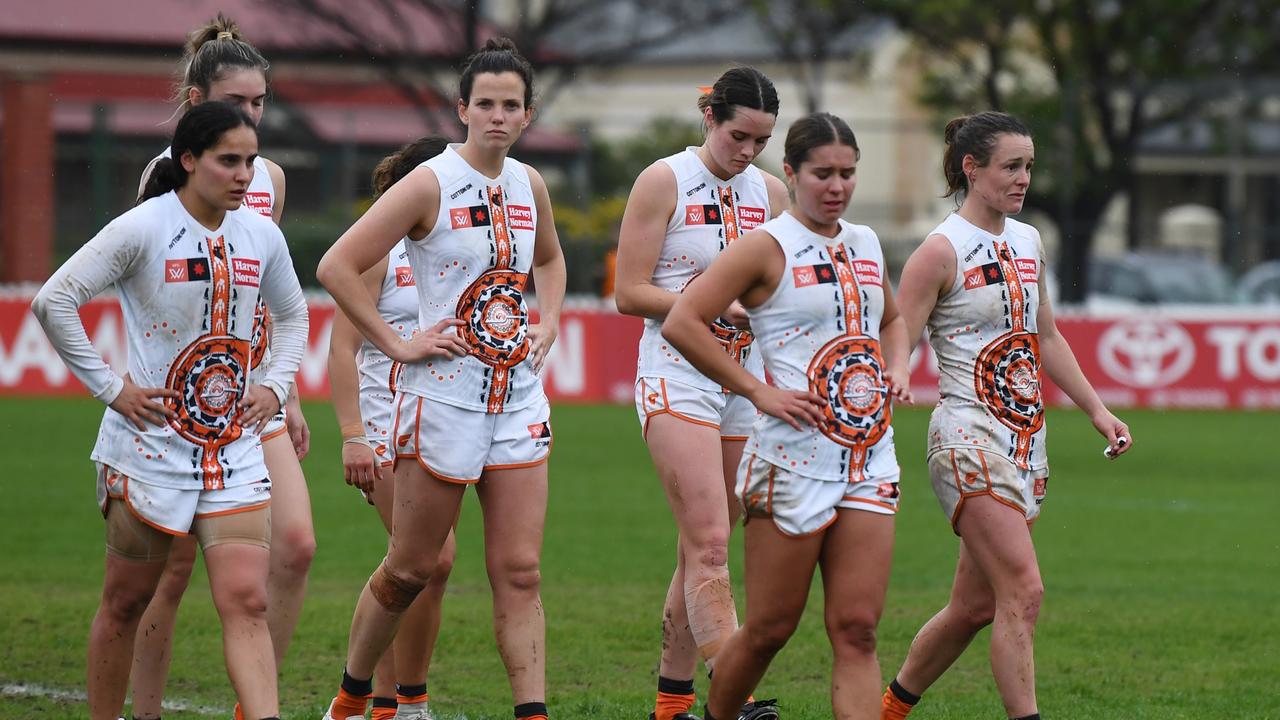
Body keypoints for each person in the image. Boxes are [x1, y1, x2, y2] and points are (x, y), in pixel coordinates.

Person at [30, 101, 308, 720]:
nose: (244, 175)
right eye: (228, 161)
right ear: (188, 161)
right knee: (126, 604)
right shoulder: (143, 228)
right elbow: (55, 300)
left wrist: (277, 384)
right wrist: (111, 389)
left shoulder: (261, 235)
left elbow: (293, 316)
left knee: (248, 603)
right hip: (149, 449)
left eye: (251, 162)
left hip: (234, 448)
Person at [314, 37, 566, 720]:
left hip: (517, 403)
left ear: (526, 114)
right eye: (484, 103)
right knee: (411, 570)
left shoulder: (530, 184)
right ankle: (353, 695)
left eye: (511, 105)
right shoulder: (427, 183)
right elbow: (336, 266)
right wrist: (398, 341)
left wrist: (551, 320)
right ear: (462, 108)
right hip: (443, 403)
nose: (497, 116)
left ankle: (531, 712)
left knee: (520, 573)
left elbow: (550, 258)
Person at [879, 111, 1133, 720]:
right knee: (1024, 590)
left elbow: (1045, 336)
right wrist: (898, 373)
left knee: (973, 607)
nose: (1023, 179)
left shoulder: (1028, 241)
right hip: (966, 436)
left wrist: (1097, 411)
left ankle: (885, 711)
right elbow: (899, 335)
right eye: (1011, 166)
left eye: (1028, 167)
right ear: (972, 168)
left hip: (1026, 442)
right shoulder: (939, 252)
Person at [663, 112, 911, 720]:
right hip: (790, 461)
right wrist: (756, 391)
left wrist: (899, 367)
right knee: (771, 628)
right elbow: (682, 321)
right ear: (792, 173)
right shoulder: (764, 248)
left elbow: (894, 319)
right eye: (823, 173)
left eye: (849, 174)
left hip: (869, 457)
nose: (837, 186)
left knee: (857, 629)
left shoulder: (866, 242)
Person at [129, 16, 316, 720]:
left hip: (250, 399)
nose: (250, 118)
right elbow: (154, 291)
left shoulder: (269, 177)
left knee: (295, 545)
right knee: (169, 575)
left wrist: (284, 389)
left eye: (259, 103)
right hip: (181, 404)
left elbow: (267, 296)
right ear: (194, 98)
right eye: (235, 103)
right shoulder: (164, 176)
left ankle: (253, 706)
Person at [614, 66, 790, 720]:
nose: (747, 151)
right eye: (738, 135)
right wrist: (715, 305)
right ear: (710, 117)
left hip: (743, 382)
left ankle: (670, 708)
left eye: (761, 140)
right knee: (712, 542)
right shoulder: (664, 180)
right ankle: (731, 691)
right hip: (677, 371)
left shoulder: (770, 193)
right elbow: (630, 291)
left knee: (701, 549)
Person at [325, 136, 456, 720]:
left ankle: (379, 701)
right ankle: (405, 702)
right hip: (384, 427)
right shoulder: (381, 252)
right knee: (431, 557)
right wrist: (353, 433)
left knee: (414, 562)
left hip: (441, 422)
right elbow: (341, 350)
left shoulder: (457, 250)